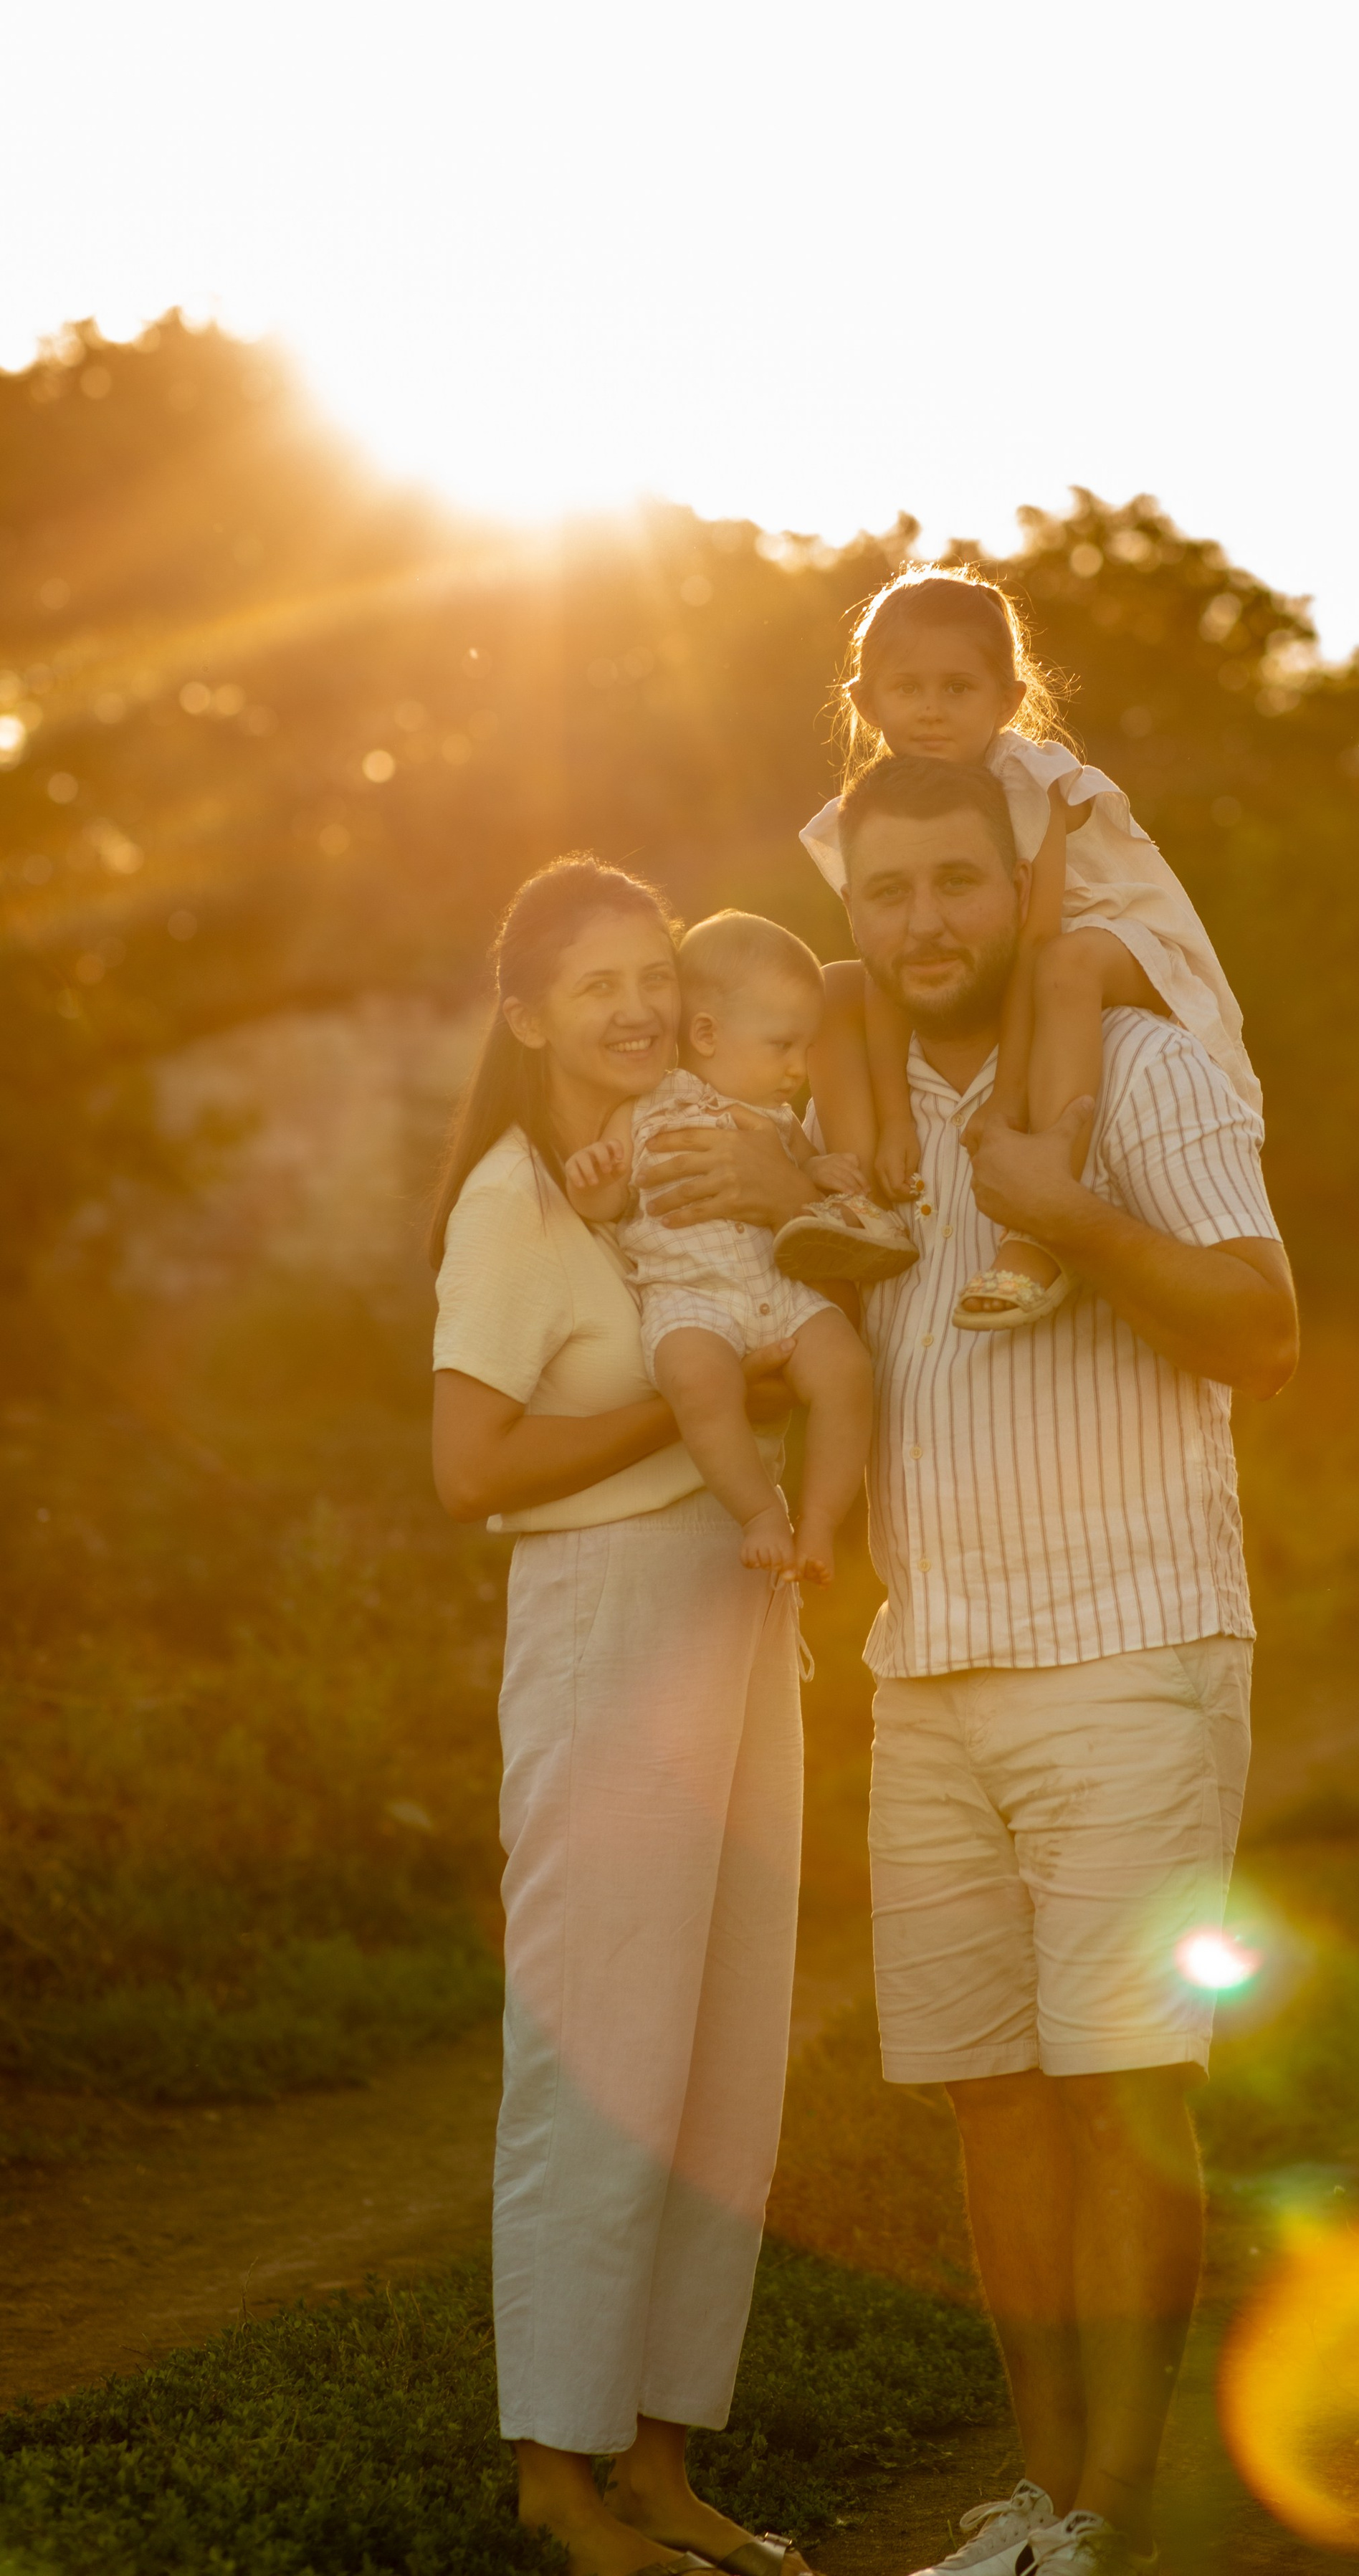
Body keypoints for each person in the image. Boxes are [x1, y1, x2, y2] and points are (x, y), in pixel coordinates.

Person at [827, 755, 1299, 2576]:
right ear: (851, 911)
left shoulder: (1146, 1065)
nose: (924, 919)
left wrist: (1074, 1212)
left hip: (1129, 1641)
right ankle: (1037, 2505)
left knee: (1122, 2084)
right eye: (888, 891)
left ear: (1023, 884)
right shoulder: (848, 1104)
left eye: (958, 879)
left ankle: (1114, 2509)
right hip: (924, 1660)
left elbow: (1261, 1332)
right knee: (990, 2101)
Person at [427, 855, 824, 2576]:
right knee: (594, 2055)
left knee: (719, 2064)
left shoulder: (678, 1164)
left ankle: (660, 2467)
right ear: (526, 1013)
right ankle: (554, 2484)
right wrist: (689, 1415)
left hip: (735, 1630)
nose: (639, 1001)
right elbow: (470, 1467)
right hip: (602, 1631)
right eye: (594, 981)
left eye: (654, 969)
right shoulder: (514, 1198)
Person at [793, 566, 1259, 1332]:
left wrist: (1007, 1099)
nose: (931, 712)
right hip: (1027, 955)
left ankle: (1038, 1225)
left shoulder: (1031, 784)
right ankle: (858, 1203)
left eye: (957, 689)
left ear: (1007, 700)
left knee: (1067, 967)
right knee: (834, 985)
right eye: (907, 689)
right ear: (867, 703)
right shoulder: (878, 809)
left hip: (1117, 938)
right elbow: (883, 963)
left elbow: (1039, 941)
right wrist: (895, 1119)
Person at [563, 908, 874, 1585]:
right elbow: (610, 1206)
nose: (798, 1067)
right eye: (782, 1045)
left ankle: (819, 1522)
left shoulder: (778, 1116)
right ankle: (762, 1513)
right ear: (706, 1033)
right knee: (698, 1383)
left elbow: (805, 1173)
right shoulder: (641, 1106)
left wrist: (817, 1172)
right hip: (690, 1299)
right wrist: (593, 1181)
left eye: (806, 1048)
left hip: (781, 1288)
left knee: (848, 1370)